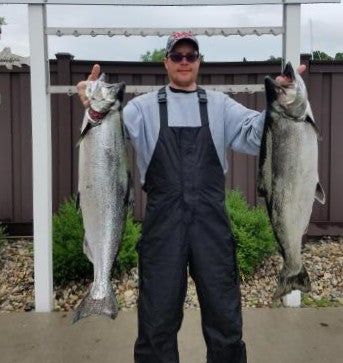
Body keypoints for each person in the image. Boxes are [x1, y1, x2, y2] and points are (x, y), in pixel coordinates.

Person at [77, 31, 305, 363]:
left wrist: (281, 103)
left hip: (211, 227)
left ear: (199, 61)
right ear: (165, 61)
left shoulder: (220, 105)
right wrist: (94, 111)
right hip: (162, 229)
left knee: (225, 320)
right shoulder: (141, 108)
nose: (184, 62)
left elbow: (259, 136)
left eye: (191, 56)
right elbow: (104, 138)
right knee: (156, 324)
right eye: (177, 56)